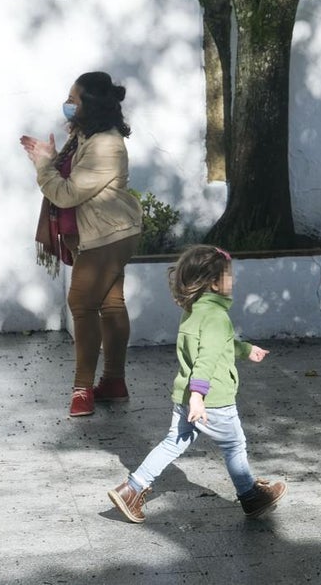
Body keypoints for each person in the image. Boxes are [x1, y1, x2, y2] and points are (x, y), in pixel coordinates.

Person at [107, 245, 287, 523]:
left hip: (186, 396)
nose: (233, 281)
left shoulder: (195, 311)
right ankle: (250, 496)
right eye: (229, 276)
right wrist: (199, 397)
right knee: (234, 445)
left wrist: (245, 349)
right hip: (212, 399)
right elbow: (206, 358)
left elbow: (218, 343)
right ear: (214, 282)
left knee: (172, 443)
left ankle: (132, 489)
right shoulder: (217, 316)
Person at [20, 71, 143, 417]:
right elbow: (74, 178)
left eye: (73, 99)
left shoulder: (106, 144)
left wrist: (44, 167)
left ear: (90, 104)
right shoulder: (89, 136)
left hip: (108, 233)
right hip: (108, 230)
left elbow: (69, 191)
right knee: (111, 302)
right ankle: (114, 383)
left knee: (81, 303)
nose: (68, 104)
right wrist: (53, 156)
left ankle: (82, 390)